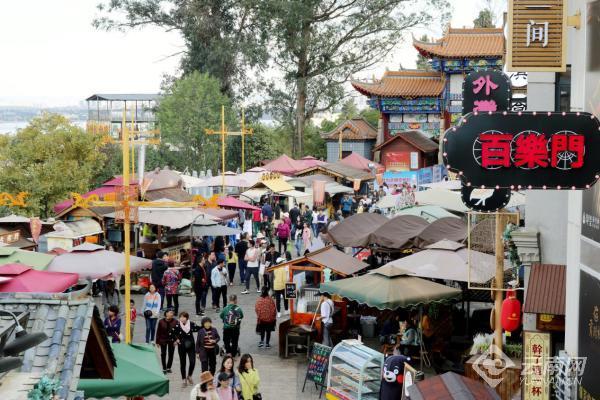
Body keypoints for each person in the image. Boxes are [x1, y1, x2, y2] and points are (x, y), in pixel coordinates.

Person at [171, 311, 201, 388]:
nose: (182, 318)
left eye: (184, 317)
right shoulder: (177, 325)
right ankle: (184, 379)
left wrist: (206, 325)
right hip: (181, 346)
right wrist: (176, 339)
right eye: (180, 317)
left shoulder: (191, 324)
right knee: (183, 363)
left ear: (187, 318)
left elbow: (199, 328)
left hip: (191, 345)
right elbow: (172, 333)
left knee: (192, 361)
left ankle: (189, 375)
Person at [156, 308, 177, 374]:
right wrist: (157, 341)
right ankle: (164, 368)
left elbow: (177, 332)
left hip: (172, 340)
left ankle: (168, 367)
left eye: (172, 313)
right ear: (166, 313)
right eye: (170, 312)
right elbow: (158, 332)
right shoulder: (161, 321)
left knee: (171, 354)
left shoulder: (175, 321)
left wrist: (176, 340)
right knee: (163, 354)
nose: (172, 314)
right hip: (163, 339)